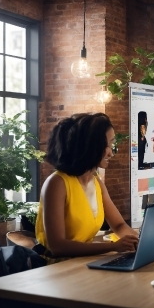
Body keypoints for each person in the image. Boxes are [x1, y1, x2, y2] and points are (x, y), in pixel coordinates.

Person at [34, 113, 139, 264]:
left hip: (82, 262)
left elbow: (119, 225)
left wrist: (139, 242)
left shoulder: (96, 182)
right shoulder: (57, 183)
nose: (111, 152)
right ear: (91, 147)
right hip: (55, 267)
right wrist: (113, 246)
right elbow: (57, 246)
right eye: (108, 145)